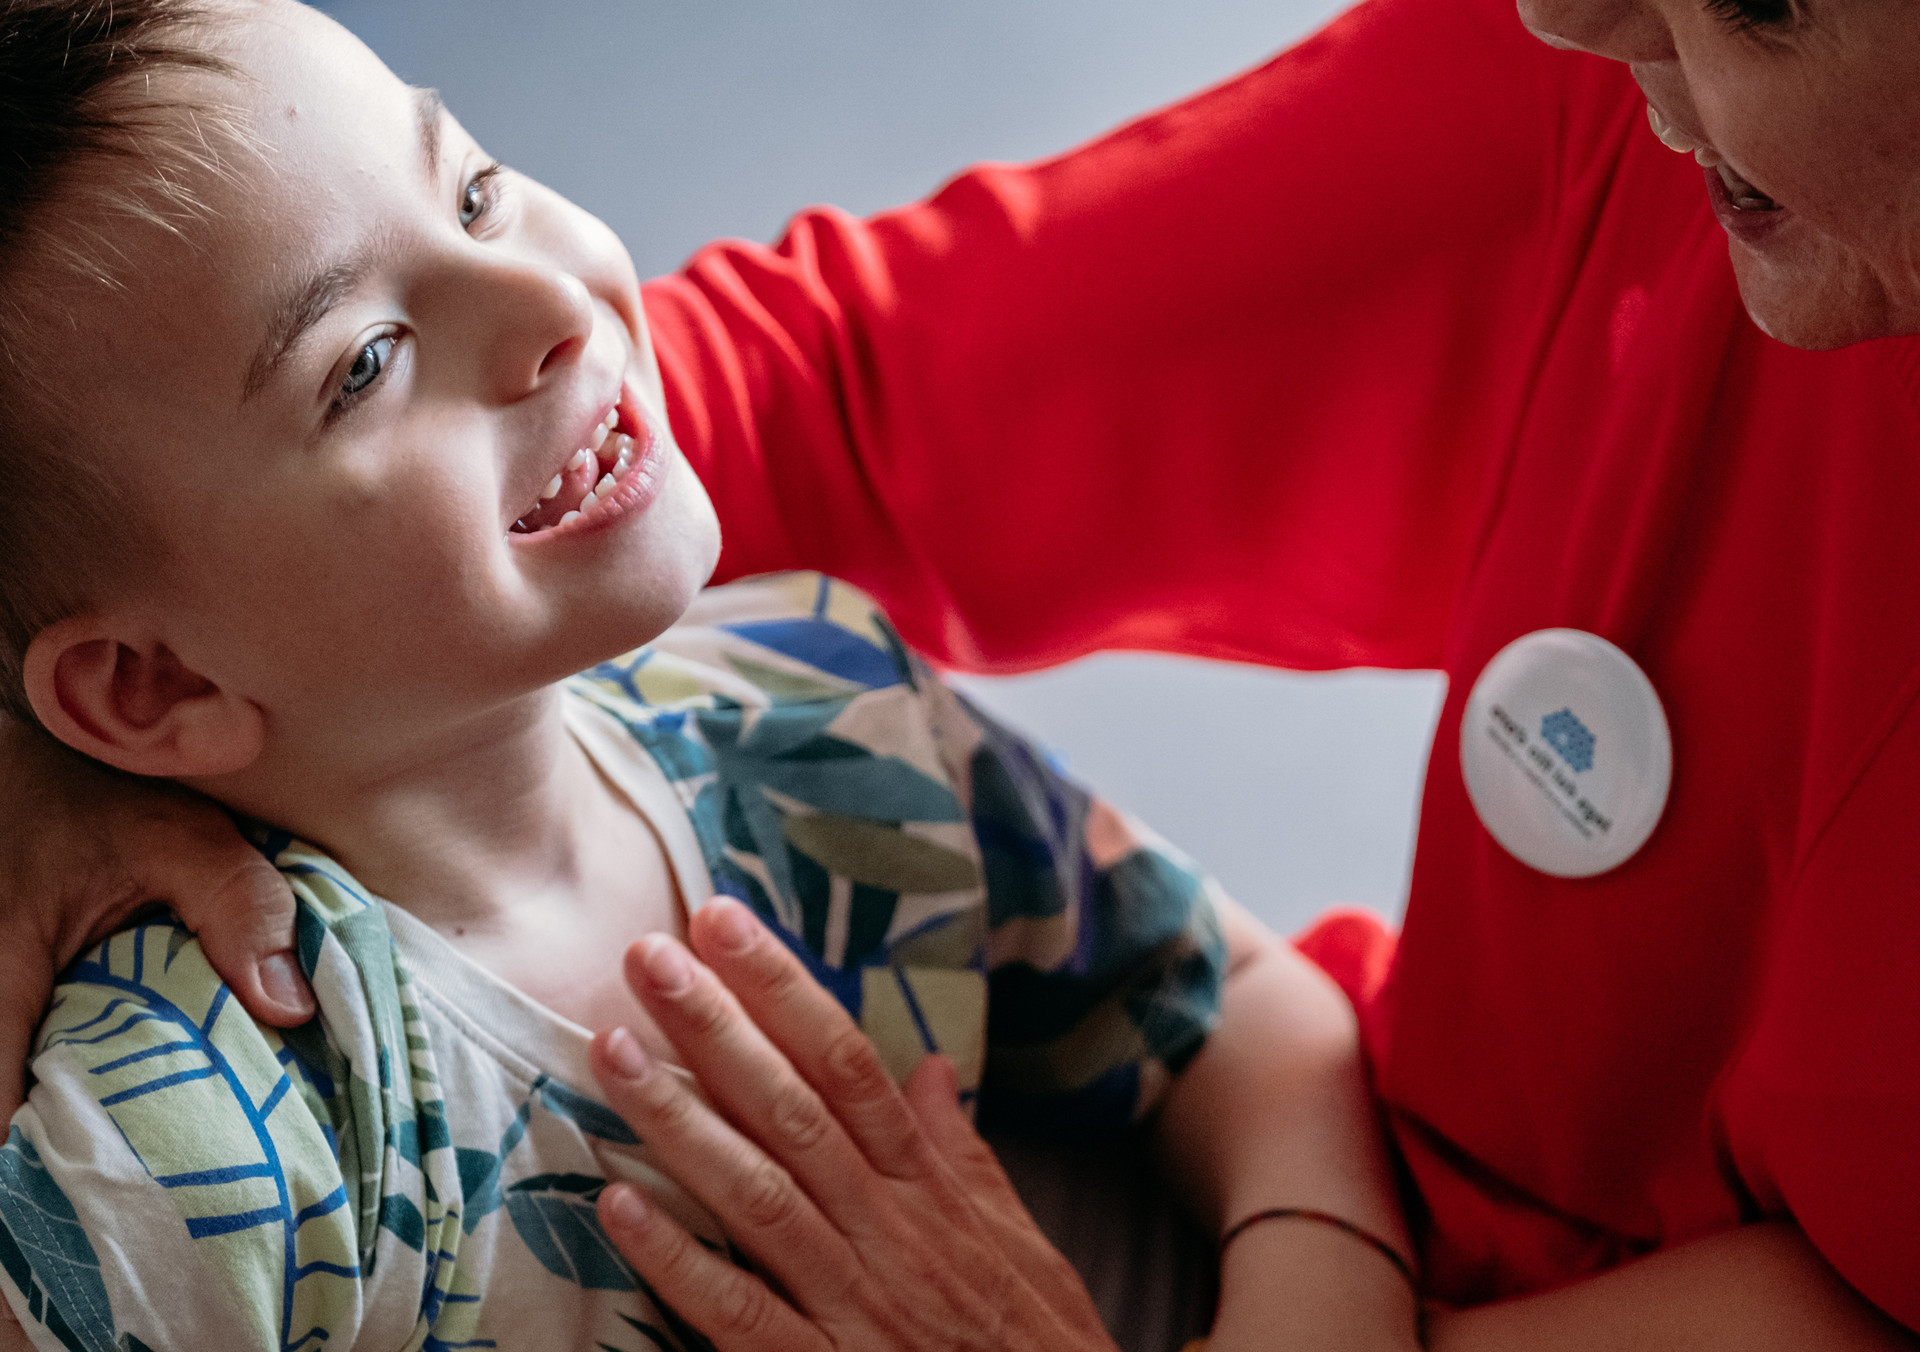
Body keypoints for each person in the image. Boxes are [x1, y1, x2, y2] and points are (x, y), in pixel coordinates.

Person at [3, 0, 1919, 1346]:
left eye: (484, 189)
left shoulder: (825, 712)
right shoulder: (179, 1140)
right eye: (361, 363)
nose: (554, 307)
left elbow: (1222, 1008)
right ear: (138, 694)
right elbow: (847, 393)